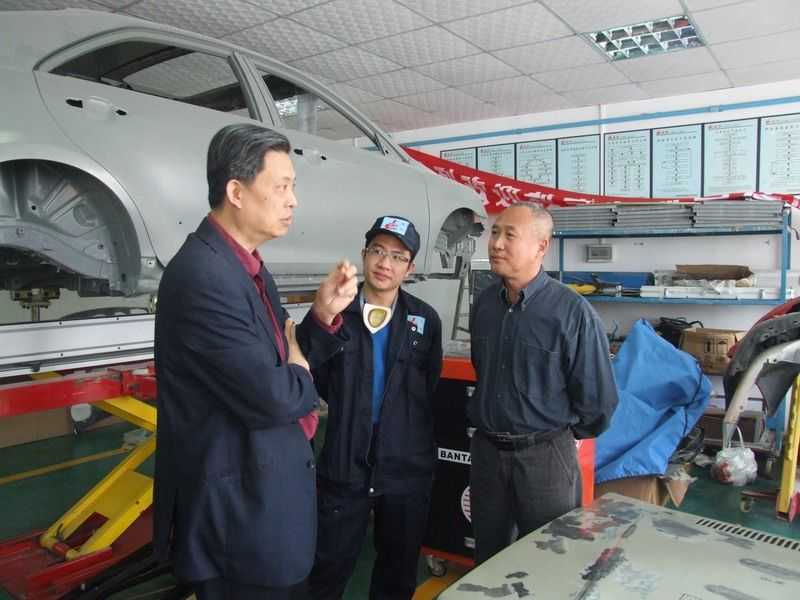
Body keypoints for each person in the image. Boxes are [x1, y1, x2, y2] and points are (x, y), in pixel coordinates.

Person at [153, 123, 358, 599]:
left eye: (293, 187)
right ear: (236, 192)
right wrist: (298, 371)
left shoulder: (248, 267)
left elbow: (282, 355)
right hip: (237, 525)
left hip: (266, 511)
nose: (293, 200)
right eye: (281, 186)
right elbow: (274, 394)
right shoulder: (204, 277)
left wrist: (321, 315)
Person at [468, 203, 618, 564]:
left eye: (510, 235)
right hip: (487, 455)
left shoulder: (572, 313)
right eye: (494, 232)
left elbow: (598, 403)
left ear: (541, 246)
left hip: (545, 458)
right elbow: (482, 369)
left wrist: (553, 436)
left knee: (549, 561)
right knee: (488, 559)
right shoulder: (485, 304)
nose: (496, 243)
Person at [308, 216, 443, 600]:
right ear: (364, 255)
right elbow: (312, 369)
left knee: (397, 574)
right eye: (378, 251)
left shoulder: (424, 320)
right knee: (325, 570)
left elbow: (427, 384)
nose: (385, 263)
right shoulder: (335, 312)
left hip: (406, 468)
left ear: (410, 268)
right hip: (345, 465)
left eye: (398, 257)